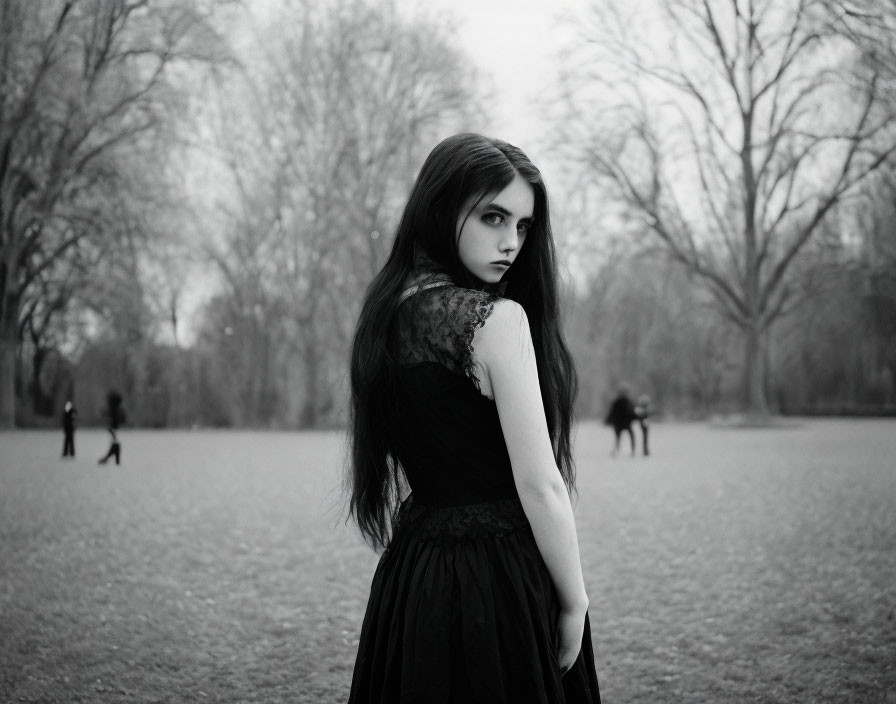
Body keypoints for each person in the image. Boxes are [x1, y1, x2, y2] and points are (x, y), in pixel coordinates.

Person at [346, 133, 600, 703]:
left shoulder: (386, 319)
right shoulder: (495, 320)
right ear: (441, 209)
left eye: (524, 225)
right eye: (492, 217)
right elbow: (541, 485)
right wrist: (575, 597)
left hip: (415, 577)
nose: (511, 242)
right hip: (500, 579)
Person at [604, 383, 637, 457]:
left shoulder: (620, 402)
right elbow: (632, 413)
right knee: (623, 437)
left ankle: (621, 451)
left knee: (619, 437)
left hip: (620, 424)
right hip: (623, 423)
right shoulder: (626, 402)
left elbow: (612, 413)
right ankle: (628, 451)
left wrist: (608, 420)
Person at [98, 391, 124, 465]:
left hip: (114, 427)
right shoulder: (118, 408)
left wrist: (111, 426)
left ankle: (110, 457)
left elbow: (112, 418)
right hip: (115, 427)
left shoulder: (113, 408)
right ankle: (116, 459)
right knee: (115, 441)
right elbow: (120, 418)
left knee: (115, 441)